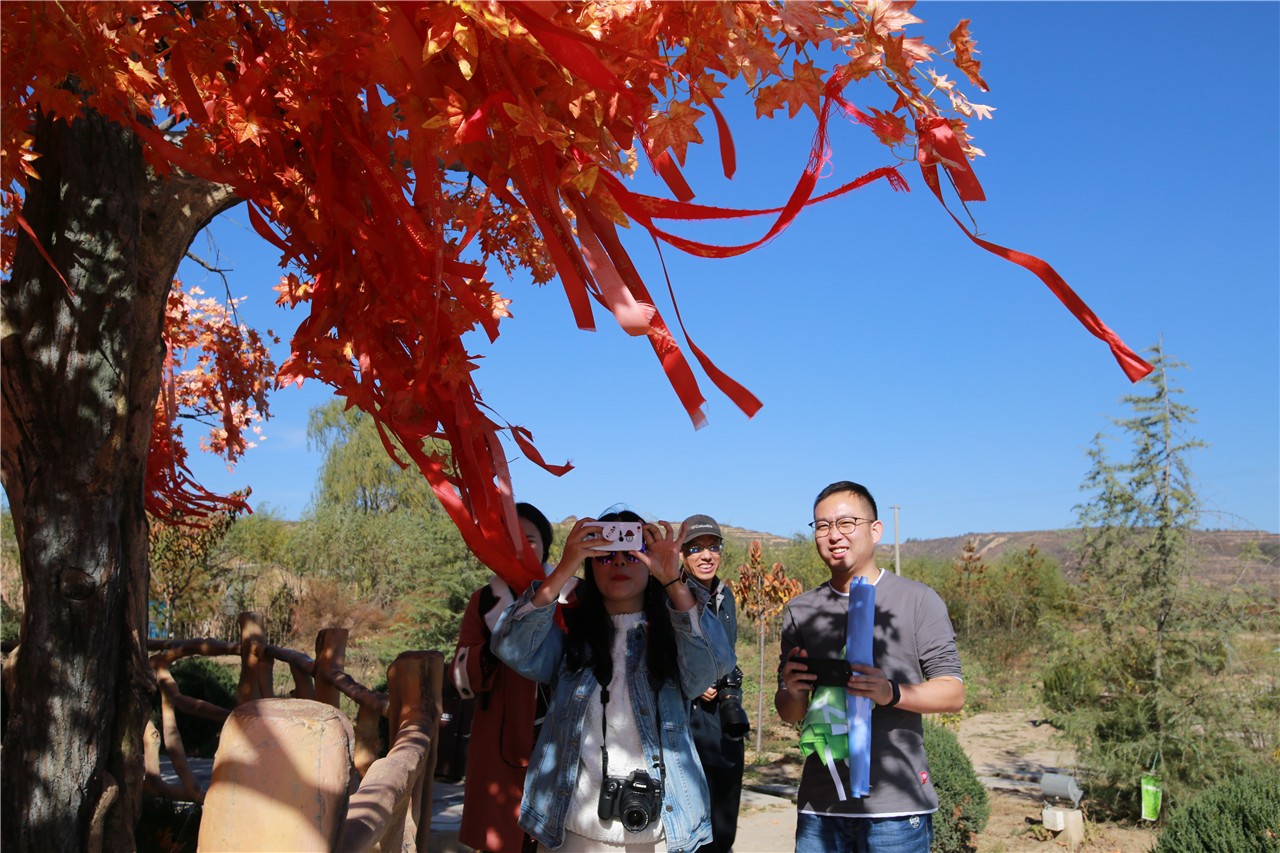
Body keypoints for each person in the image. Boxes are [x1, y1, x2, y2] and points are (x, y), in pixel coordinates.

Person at [492, 509, 735, 853]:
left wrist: (672, 580)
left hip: (659, 836)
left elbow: (714, 663)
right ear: (589, 565)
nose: (618, 563)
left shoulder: (672, 643)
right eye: (605, 555)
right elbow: (510, 645)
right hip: (571, 835)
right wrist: (565, 567)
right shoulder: (569, 642)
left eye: (631, 552)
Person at [775, 481, 965, 853]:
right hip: (821, 807)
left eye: (846, 523)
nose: (833, 535)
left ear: (876, 530)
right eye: (823, 526)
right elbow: (789, 712)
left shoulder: (917, 600)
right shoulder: (801, 610)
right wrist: (794, 692)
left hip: (896, 809)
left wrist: (891, 692)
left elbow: (953, 692)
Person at [450, 502, 557, 853]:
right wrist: (503, 645)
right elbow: (461, 677)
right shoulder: (484, 601)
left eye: (530, 539)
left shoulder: (574, 596)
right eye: (510, 540)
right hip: (499, 739)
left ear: (546, 545)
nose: (522, 548)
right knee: (503, 837)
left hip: (559, 736)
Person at [680, 514, 747, 853]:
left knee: (723, 825)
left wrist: (725, 684)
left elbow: (729, 655)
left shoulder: (725, 595)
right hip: (682, 718)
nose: (706, 555)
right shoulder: (669, 595)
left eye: (713, 546)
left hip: (720, 717)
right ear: (681, 554)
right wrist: (691, 679)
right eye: (695, 548)